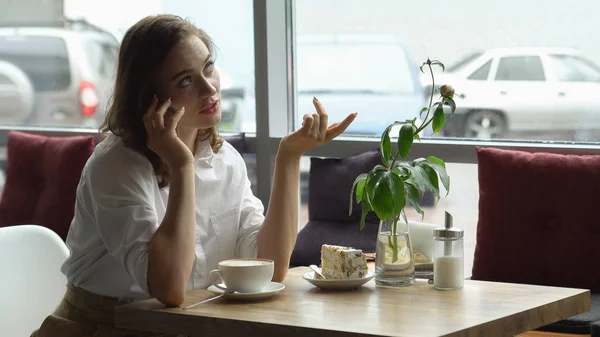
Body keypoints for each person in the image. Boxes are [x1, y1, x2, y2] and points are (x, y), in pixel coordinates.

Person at [30, 13, 356, 337]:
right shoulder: (116, 166)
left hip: (194, 326)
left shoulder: (225, 159)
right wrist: (182, 166)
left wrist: (289, 155)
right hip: (102, 327)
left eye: (208, 67)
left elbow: (269, 265)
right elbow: (169, 288)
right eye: (185, 80)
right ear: (151, 98)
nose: (209, 87)